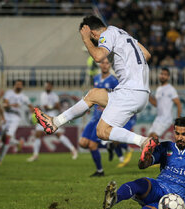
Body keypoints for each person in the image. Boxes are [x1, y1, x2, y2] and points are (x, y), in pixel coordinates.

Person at [34, 15, 157, 161]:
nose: (94, 42)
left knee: (102, 131)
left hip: (130, 91)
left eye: (91, 38)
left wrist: (86, 39)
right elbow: (147, 54)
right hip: (140, 92)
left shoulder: (106, 35)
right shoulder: (122, 33)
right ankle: (55, 122)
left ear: (92, 33)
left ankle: (143, 141)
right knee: (93, 95)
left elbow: (98, 56)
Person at [102, 117, 185, 209]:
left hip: (173, 200)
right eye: (177, 133)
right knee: (141, 183)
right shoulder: (166, 147)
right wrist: (146, 156)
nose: (180, 137)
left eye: (184, 134)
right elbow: (142, 166)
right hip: (157, 188)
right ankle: (114, 198)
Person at [79, 58, 118, 176]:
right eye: (103, 63)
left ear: (110, 65)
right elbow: (94, 95)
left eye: (107, 63)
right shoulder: (95, 78)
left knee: (92, 145)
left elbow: (118, 98)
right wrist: (88, 106)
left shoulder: (113, 81)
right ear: (100, 65)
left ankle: (100, 171)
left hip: (104, 118)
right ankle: (107, 144)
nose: (105, 65)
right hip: (94, 116)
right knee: (82, 143)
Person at [27, 82, 78, 162]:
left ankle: (73, 149)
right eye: (46, 86)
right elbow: (45, 107)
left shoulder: (54, 95)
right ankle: (35, 155)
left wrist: (50, 107)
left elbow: (57, 106)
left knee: (58, 134)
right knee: (38, 134)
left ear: (51, 87)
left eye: (49, 86)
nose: (48, 87)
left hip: (51, 116)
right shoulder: (43, 94)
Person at [0, 80, 34, 167]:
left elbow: (31, 107)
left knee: (7, 137)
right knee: (3, 138)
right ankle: (18, 143)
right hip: (6, 116)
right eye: (17, 84)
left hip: (15, 118)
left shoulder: (24, 97)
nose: (19, 86)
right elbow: (5, 104)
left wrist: (34, 114)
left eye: (20, 85)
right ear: (14, 85)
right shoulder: (9, 93)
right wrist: (13, 105)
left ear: (22, 86)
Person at [148, 68, 182, 138]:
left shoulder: (170, 89)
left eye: (165, 75)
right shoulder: (158, 89)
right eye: (161, 74)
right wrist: (148, 96)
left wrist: (178, 118)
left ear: (168, 77)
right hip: (158, 118)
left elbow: (178, 103)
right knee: (149, 137)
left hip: (166, 118)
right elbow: (156, 104)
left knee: (154, 136)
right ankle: (156, 149)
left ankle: (156, 149)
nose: (162, 76)